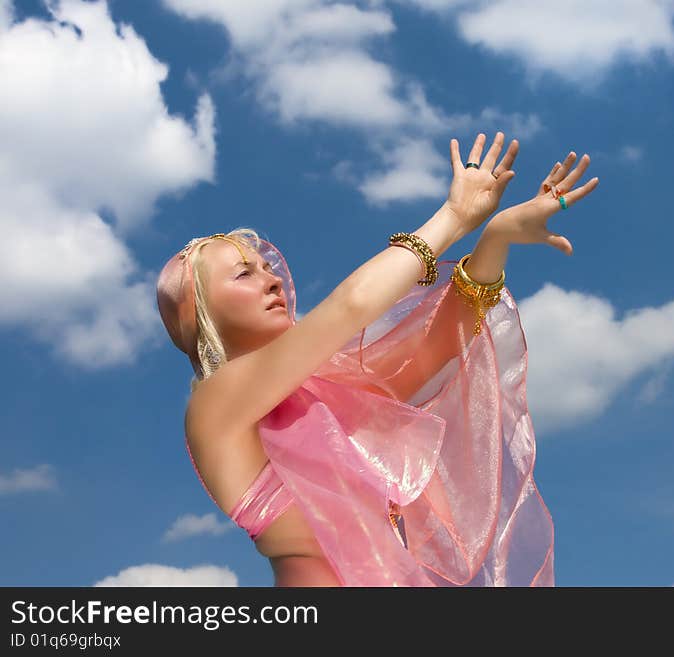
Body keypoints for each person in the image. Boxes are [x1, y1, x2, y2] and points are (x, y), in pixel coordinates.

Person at [156, 132, 599, 586]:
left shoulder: (330, 397)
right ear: (200, 312)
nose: (272, 282)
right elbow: (351, 306)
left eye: (269, 270)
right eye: (243, 273)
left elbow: (438, 346)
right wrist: (453, 217)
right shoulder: (216, 406)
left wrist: (496, 238)